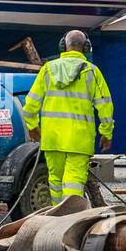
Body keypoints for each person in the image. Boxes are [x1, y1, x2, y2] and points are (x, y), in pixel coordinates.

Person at [20, 29, 114, 205]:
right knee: (74, 181)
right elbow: (106, 107)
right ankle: (71, 218)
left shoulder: (47, 70)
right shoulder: (91, 72)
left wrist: (33, 127)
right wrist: (106, 133)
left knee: (55, 181)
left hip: (52, 139)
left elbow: (30, 105)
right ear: (86, 48)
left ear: (63, 45)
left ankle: (57, 218)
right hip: (79, 140)